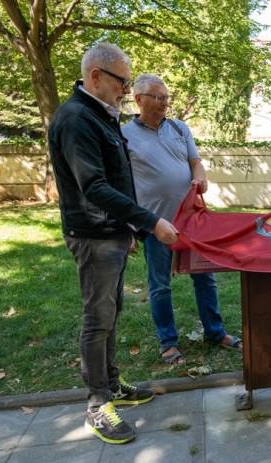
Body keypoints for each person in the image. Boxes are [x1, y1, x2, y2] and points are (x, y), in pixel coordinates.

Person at [49, 43, 179, 445]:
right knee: (97, 318)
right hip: (92, 236)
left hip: (113, 234)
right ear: (96, 77)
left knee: (112, 311)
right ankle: (96, 405)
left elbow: (117, 178)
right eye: (123, 81)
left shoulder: (99, 115)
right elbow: (94, 186)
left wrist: (130, 229)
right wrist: (149, 222)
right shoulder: (75, 119)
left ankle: (112, 384)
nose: (126, 89)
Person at [122, 74, 242, 366]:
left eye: (166, 97)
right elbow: (121, 184)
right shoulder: (123, 134)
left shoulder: (179, 127)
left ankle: (215, 332)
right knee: (160, 285)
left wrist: (200, 178)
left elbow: (195, 163)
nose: (165, 103)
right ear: (139, 100)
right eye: (158, 97)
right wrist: (127, 227)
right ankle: (168, 343)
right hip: (155, 224)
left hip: (190, 221)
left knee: (205, 278)